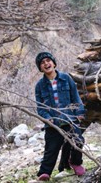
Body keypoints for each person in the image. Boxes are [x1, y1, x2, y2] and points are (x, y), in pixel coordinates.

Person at [34, 52, 86, 181]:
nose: (46, 64)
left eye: (48, 60)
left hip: (70, 119)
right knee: (51, 148)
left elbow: (76, 97)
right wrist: (48, 118)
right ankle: (45, 172)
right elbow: (40, 107)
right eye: (42, 62)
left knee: (78, 140)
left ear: (54, 63)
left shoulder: (66, 78)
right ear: (40, 68)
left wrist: (79, 112)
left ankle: (75, 162)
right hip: (53, 122)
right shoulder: (40, 86)